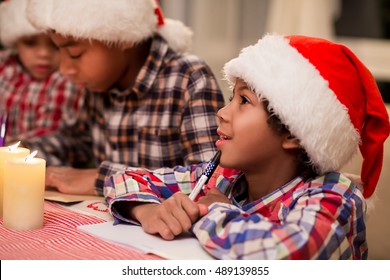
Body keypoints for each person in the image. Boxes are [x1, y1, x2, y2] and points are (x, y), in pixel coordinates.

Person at [103, 34, 390, 259]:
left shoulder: (335, 196)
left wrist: (214, 211)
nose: (222, 112)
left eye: (243, 101)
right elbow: (126, 178)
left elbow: (291, 253)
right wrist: (147, 211)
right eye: (232, 98)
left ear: (293, 133)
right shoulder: (223, 179)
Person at [24, 0, 225, 195]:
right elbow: (76, 143)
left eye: (74, 53)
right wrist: (23, 151)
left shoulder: (188, 77)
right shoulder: (99, 82)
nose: (64, 68)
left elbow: (210, 179)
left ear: (123, 36)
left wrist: (102, 179)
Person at [0, 0, 84, 144]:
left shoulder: (67, 80)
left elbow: (55, 135)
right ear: (15, 43)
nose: (44, 53)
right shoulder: (6, 66)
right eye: (30, 43)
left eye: (55, 45)